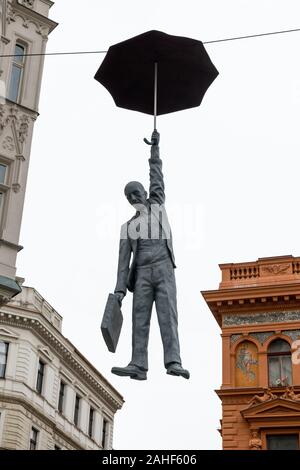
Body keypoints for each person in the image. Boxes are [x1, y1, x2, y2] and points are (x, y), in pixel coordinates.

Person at [111, 130, 189, 381]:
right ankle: (138, 364)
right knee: (139, 319)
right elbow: (123, 264)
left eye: (136, 193)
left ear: (145, 193)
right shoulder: (127, 228)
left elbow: (157, 177)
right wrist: (120, 291)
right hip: (142, 273)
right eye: (128, 196)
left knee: (168, 315)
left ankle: (174, 361)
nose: (133, 197)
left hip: (163, 266)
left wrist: (154, 151)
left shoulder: (157, 205)